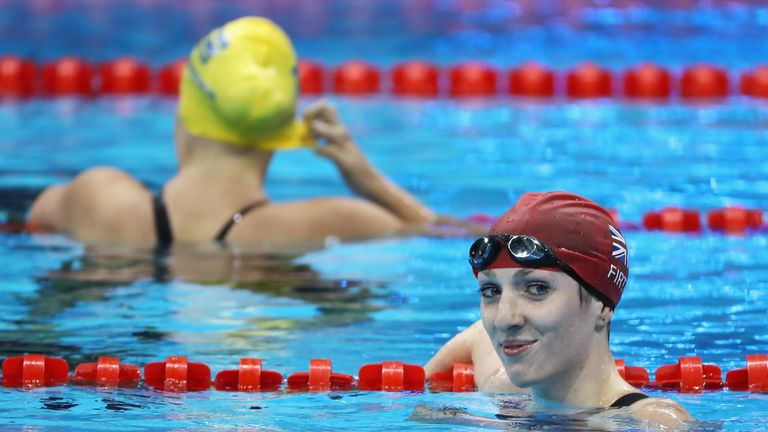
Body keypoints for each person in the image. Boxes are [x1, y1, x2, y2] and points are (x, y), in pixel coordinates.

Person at [27, 17, 480, 250]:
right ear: (281, 135)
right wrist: (369, 181)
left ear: (184, 115)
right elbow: (446, 235)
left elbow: (34, 221)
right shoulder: (326, 221)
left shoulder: (98, 197)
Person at [425, 191, 694, 428]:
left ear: (602, 306)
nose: (505, 319)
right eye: (491, 291)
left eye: (537, 288)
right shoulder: (503, 388)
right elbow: (479, 336)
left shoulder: (652, 422)